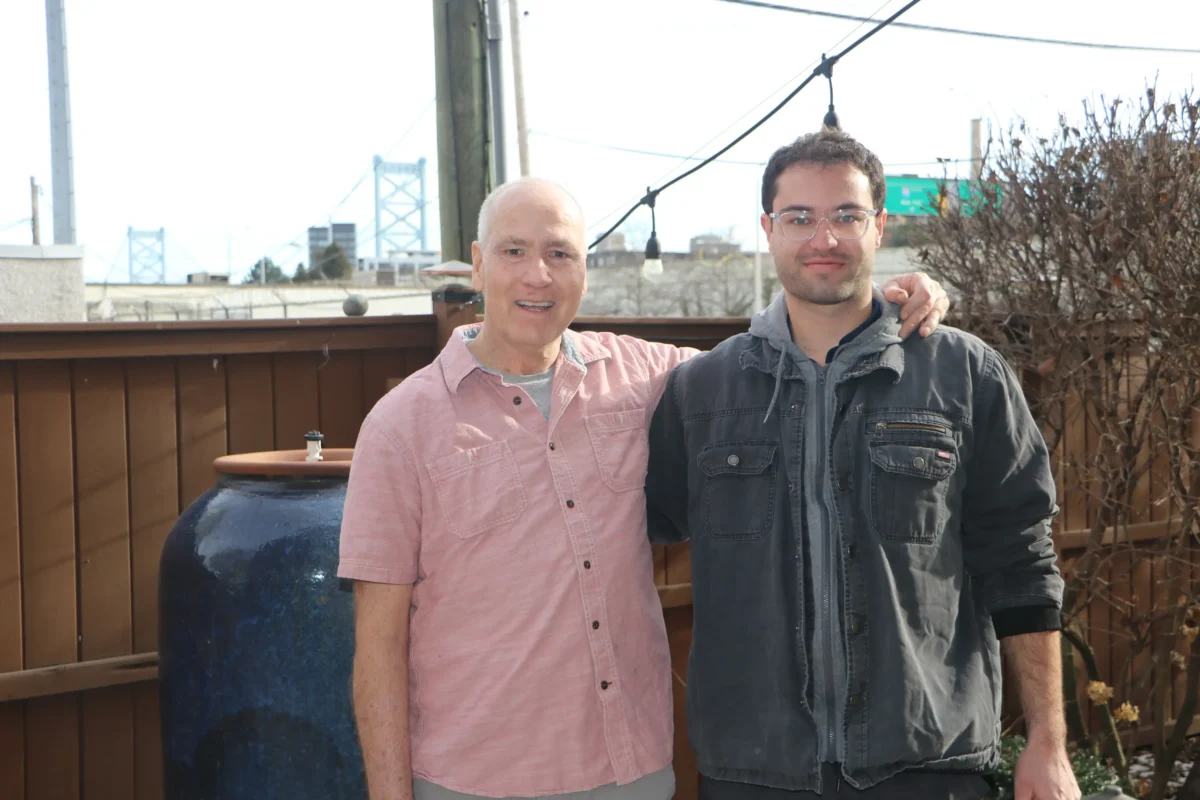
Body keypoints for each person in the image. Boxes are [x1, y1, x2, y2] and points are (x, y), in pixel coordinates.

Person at [337, 176, 950, 800]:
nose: (537, 276)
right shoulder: (400, 427)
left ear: (585, 267)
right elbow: (378, 647)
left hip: (631, 772)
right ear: (477, 263)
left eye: (559, 254)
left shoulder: (647, 376)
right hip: (473, 779)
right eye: (513, 251)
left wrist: (880, 300)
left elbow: (778, 355)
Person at [644, 128, 1079, 800]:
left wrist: (1048, 744)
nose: (824, 238)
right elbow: (626, 528)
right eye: (800, 218)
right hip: (755, 772)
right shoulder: (702, 391)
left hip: (932, 767)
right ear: (768, 229)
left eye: (846, 215)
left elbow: (1023, 561)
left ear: (879, 226)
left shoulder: (964, 374)